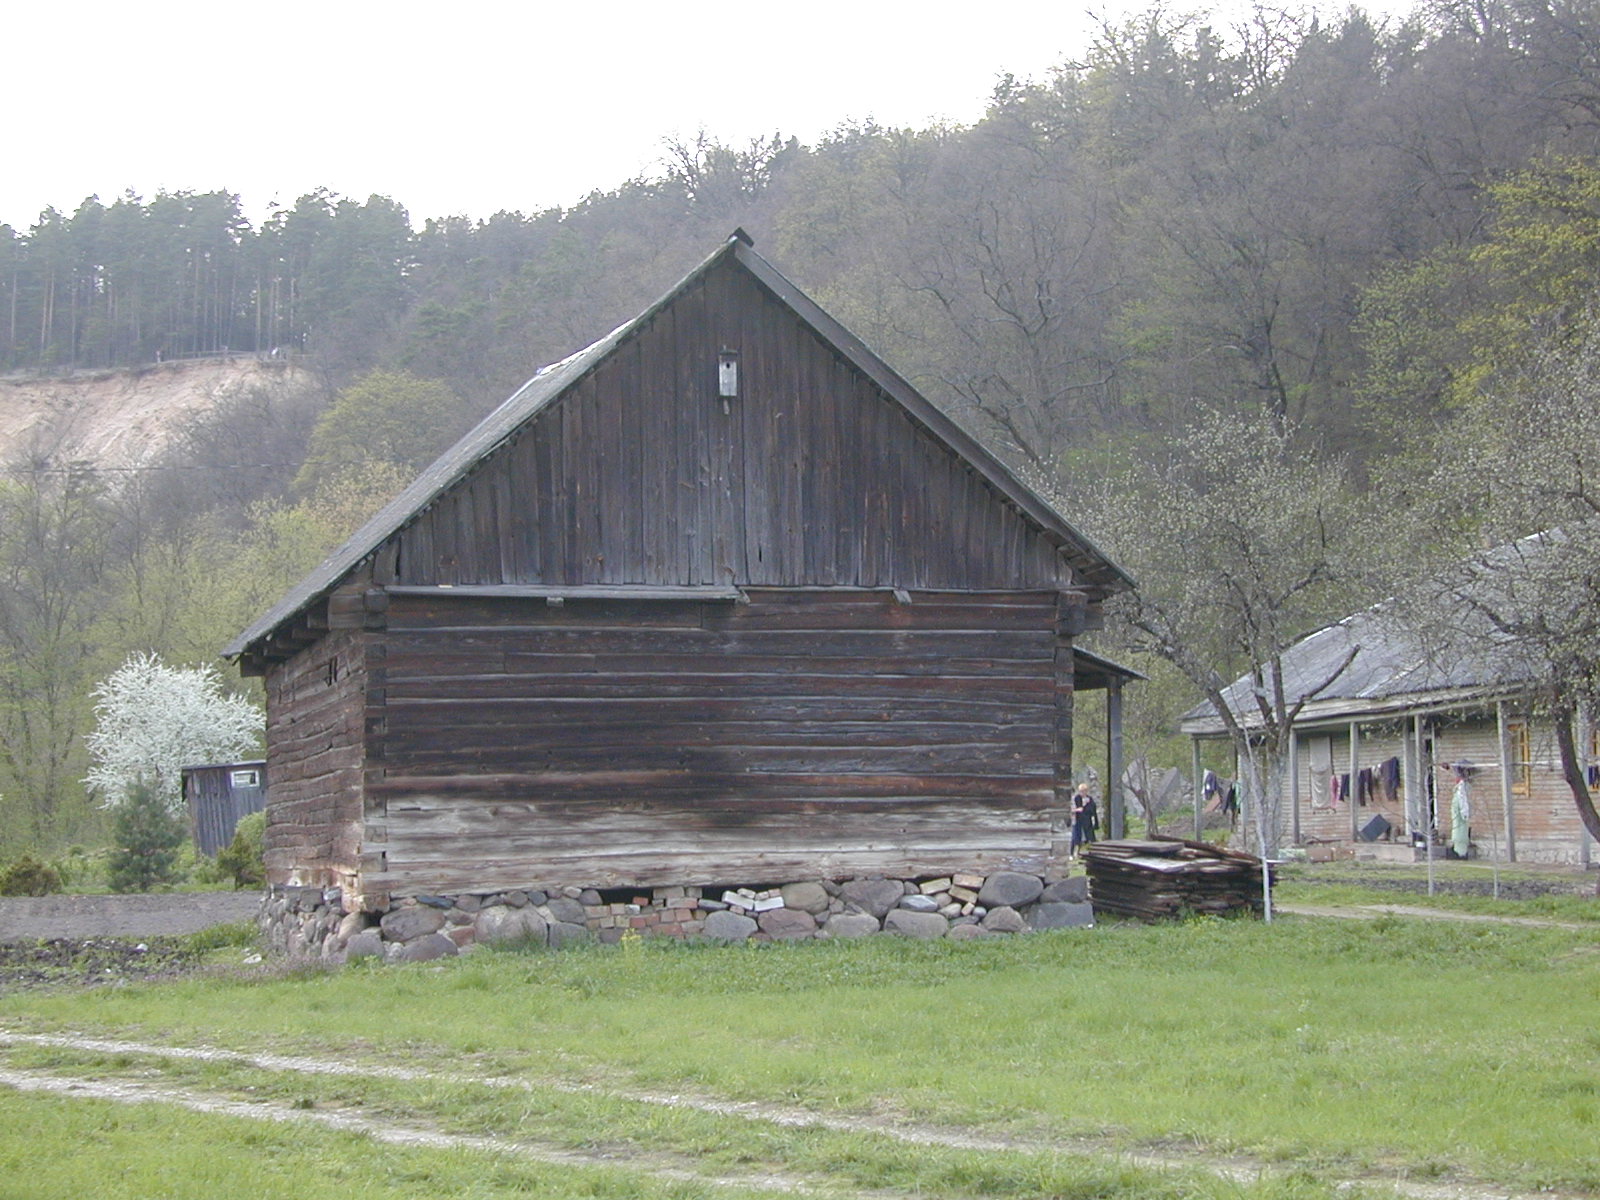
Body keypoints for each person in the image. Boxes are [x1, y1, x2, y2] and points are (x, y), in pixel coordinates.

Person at [1449, 763, 1472, 859]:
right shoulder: (1458, 791)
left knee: (1460, 833)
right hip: (1457, 817)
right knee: (1458, 832)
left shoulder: (1461, 792)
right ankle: (1459, 851)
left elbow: (1463, 804)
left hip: (1461, 817)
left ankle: (1461, 853)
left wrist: (1464, 814)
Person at [1070, 783, 1099, 856]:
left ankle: (1093, 852)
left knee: (1090, 837)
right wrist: (1078, 809)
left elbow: (1092, 810)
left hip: (1087, 821)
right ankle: (1073, 853)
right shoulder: (1076, 798)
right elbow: (1072, 809)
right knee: (1076, 838)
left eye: (1084, 791)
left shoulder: (1090, 799)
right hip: (1077, 821)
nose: (1082, 793)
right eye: (1081, 791)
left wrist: (1086, 806)